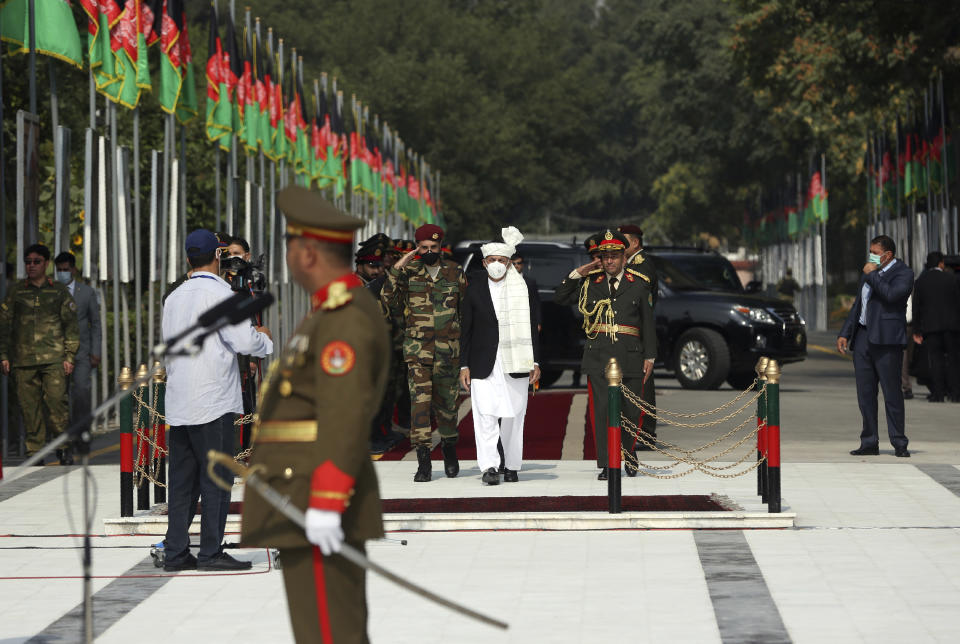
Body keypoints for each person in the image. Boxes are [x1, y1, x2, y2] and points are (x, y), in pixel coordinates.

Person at [241, 186, 390, 643]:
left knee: (330, 630)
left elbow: (343, 414)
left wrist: (326, 501)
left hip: (317, 498)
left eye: (289, 247)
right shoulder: (327, 312)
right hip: (298, 492)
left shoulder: (344, 317)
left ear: (307, 252)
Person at [161, 229, 273, 572]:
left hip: (180, 401)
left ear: (187, 259)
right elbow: (243, 341)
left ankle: (176, 552)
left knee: (182, 483)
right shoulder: (223, 293)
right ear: (218, 256)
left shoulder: (174, 297)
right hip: (213, 401)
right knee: (216, 481)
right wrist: (264, 341)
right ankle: (210, 552)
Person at [556, 230, 656, 479]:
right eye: (605, 257)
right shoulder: (591, 283)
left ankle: (629, 453)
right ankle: (608, 463)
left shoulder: (639, 284)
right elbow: (560, 297)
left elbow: (648, 324)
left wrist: (650, 357)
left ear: (624, 257)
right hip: (599, 356)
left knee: (631, 410)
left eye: (615, 256)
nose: (610, 261)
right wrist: (581, 272)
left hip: (631, 355)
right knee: (601, 412)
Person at [381, 224, 467, 482]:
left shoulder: (454, 272)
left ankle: (450, 447)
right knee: (420, 406)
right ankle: (424, 461)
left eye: (434, 247)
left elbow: (465, 310)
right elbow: (388, 300)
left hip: (448, 352)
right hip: (418, 352)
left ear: (440, 247)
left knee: (447, 405)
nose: (429, 251)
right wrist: (399, 266)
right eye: (424, 248)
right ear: (418, 247)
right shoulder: (408, 272)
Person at [460, 228, 541, 485]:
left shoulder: (524, 287)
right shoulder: (473, 289)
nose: (497, 265)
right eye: (492, 260)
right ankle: (490, 467)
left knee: (514, 415)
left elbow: (532, 328)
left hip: (516, 361)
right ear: (484, 263)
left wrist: (535, 361)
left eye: (502, 260)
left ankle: (512, 465)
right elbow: (466, 330)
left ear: (509, 263)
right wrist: (463, 365)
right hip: (483, 363)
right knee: (484, 416)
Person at [0, 244, 79, 465]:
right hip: (23, 361)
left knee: (57, 405)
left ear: (45, 264)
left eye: (36, 261)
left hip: (54, 360)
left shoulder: (58, 291)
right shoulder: (16, 291)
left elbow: (71, 326)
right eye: (27, 262)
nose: (31, 266)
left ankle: (62, 447)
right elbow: (4, 325)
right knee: (29, 408)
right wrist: (3, 355)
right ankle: (35, 451)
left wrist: (69, 356)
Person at [837, 235, 913, 457]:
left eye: (875, 252)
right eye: (870, 251)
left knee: (892, 393)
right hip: (862, 337)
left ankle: (899, 442)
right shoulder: (868, 272)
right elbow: (858, 305)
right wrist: (845, 332)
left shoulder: (903, 273)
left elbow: (891, 296)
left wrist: (872, 274)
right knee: (865, 393)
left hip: (887, 339)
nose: (871, 256)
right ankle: (869, 441)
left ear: (888, 255)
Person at [53, 252, 102, 450]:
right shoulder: (52, 291)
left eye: (66, 270)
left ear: (73, 269)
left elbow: (95, 324)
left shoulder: (86, 293)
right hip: (58, 352)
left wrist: (96, 351)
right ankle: (64, 437)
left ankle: (82, 434)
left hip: (82, 352)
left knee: (82, 392)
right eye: (59, 270)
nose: (63, 273)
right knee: (59, 395)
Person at [619, 223, 659, 449]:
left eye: (622, 240)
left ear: (634, 243)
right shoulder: (635, 262)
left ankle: (646, 433)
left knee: (643, 384)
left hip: (640, 333)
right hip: (634, 332)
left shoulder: (641, 265)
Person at [911, 251, 960, 402]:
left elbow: (916, 307)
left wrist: (916, 330)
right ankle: (955, 394)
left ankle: (938, 394)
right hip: (952, 327)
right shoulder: (952, 279)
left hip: (931, 328)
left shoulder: (920, 281)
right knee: (954, 361)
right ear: (941, 263)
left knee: (936, 361)